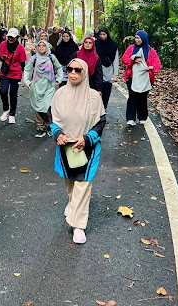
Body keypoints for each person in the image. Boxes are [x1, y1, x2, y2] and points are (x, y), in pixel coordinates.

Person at [50, 59, 106, 244]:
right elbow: (53, 117)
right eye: (70, 69)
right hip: (66, 146)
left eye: (78, 70)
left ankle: (78, 225)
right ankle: (73, 203)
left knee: (83, 183)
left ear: (85, 73)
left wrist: (88, 138)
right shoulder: (60, 94)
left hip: (87, 147)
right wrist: (57, 133)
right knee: (71, 183)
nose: (73, 73)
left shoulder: (94, 97)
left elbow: (101, 121)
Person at [24, 39, 63, 137]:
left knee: (48, 106)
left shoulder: (51, 57)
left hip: (49, 86)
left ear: (46, 47)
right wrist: (28, 82)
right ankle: (40, 128)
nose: (41, 47)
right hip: (37, 86)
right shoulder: (34, 58)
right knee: (38, 106)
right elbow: (27, 70)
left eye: (43, 45)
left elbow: (59, 68)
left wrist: (59, 79)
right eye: (39, 46)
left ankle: (48, 125)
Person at [122, 30, 161, 126]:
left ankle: (142, 117)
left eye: (138, 38)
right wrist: (133, 60)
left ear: (143, 38)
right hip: (132, 77)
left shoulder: (150, 51)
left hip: (145, 78)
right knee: (132, 97)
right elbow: (124, 59)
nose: (136, 40)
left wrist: (152, 68)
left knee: (143, 97)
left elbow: (157, 64)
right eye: (135, 37)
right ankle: (130, 118)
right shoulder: (131, 48)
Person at [0, 28, 27, 123]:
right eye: (9, 37)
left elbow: (23, 63)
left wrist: (23, 77)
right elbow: (0, 57)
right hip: (5, 72)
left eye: (13, 37)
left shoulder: (20, 47)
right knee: (3, 92)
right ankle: (6, 109)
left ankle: (12, 114)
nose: (10, 39)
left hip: (16, 73)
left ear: (17, 38)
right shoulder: (3, 44)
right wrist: (3, 58)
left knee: (13, 94)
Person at [95, 27, 119, 109]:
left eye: (104, 34)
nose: (102, 36)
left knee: (107, 92)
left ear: (107, 35)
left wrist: (115, 74)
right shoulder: (96, 44)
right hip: (98, 70)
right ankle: (97, 109)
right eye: (101, 34)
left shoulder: (113, 45)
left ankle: (104, 108)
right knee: (97, 90)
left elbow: (115, 60)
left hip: (109, 71)